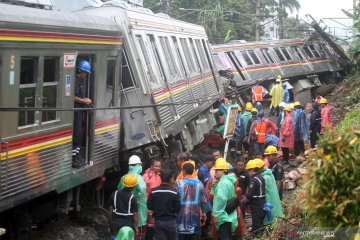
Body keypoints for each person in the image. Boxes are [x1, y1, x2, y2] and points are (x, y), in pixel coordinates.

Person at [174, 163, 211, 240]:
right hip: (195, 216)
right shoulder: (199, 184)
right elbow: (204, 200)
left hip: (181, 217)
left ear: (183, 171)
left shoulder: (178, 184)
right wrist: (204, 212)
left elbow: (173, 199)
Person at [118, 155, 147, 240]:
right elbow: (142, 190)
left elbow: (119, 189)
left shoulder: (123, 177)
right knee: (138, 234)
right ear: (139, 165)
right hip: (138, 212)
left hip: (124, 212)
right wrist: (138, 200)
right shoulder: (139, 178)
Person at [147, 170, 180, 240]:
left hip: (158, 222)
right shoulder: (175, 193)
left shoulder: (153, 191)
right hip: (171, 222)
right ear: (171, 179)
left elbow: (149, 206)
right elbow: (177, 209)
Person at [212, 159, 240, 240]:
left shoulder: (223, 183)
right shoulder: (228, 180)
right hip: (229, 214)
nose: (215, 172)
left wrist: (216, 215)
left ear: (222, 171)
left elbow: (220, 199)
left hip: (223, 216)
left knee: (225, 236)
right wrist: (214, 185)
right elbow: (215, 194)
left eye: (217, 170)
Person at [72, 60, 92, 168]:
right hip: (76, 113)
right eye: (86, 73)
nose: (86, 75)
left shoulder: (80, 82)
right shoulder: (75, 81)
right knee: (76, 135)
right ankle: (74, 159)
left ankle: (77, 156)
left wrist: (85, 99)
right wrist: (85, 101)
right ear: (82, 71)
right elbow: (73, 97)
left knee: (79, 135)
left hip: (79, 112)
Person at [254, 158, 284, 225]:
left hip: (269, 199)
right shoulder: (269, 172)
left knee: (269, 216)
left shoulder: (265, 177)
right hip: (273, 197)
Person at [242, 160, 266, 236]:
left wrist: (241, 201)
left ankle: (256, 236)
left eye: (248, 170)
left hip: (256, 204)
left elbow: (250, 195)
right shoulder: (261, 177)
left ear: (252, 170)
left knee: (256, 224)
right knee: (260, 222)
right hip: (262, 202)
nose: (248, 172)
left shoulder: (253, 180)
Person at [142, 160, 161, 240]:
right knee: (149, 226)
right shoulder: (146, 175)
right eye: (156, 166)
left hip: (156, 204)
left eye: (160, 166)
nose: (158, 168)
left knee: (154, 226)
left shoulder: (158, 176)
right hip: (148, 204)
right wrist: (148, 177)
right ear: (151, 166)